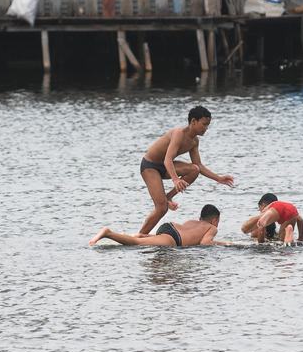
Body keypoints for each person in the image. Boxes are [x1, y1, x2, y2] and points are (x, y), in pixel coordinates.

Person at [137, 105, 234, 236]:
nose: (206, 128)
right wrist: (176, 179)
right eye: (204, 124)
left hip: (166, 167)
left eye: (208, 125)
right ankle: (139, 237)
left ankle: (168, 196)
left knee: (194, 169)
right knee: (161, 208)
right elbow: (167, 159)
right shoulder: (179, 134)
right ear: (193, 121)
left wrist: (218, 178)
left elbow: (198, 164)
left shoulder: (194, 141)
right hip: (150, 166)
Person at [88, 204, 232, 247]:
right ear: (214, 220)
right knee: (136, 243)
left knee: (155, 239)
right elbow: (205, 242)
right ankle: (108, 233)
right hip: (174, 238)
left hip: (169, 227)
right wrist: (225, 243)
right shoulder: (211, 228)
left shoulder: (193, 221)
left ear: (200, 217)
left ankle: (144, 235)